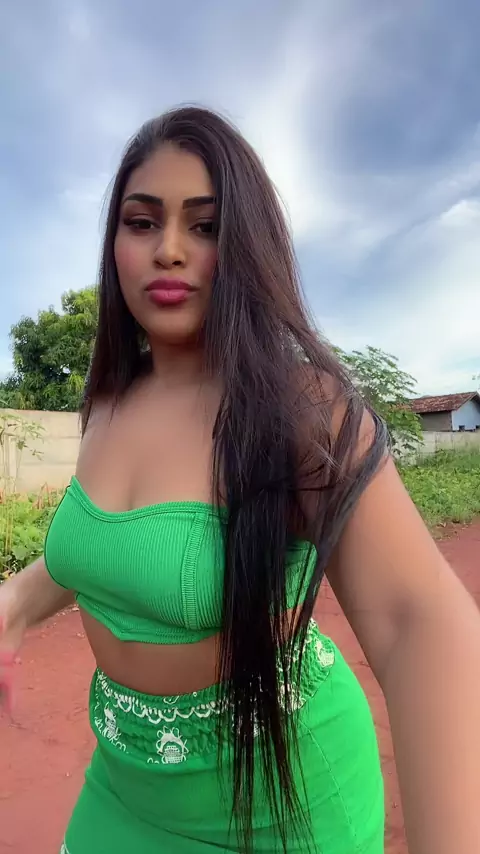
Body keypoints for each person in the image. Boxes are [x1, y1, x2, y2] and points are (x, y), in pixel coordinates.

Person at [1, 106, 479, 854]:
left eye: (205, 226)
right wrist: (15, 601)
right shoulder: (106, 403)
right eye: (141, 222)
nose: (168, 250)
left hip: (282, 803)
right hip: (123, 782)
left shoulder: (302, 410)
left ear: (248, 246)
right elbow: (102, 553)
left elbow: (418, 622)